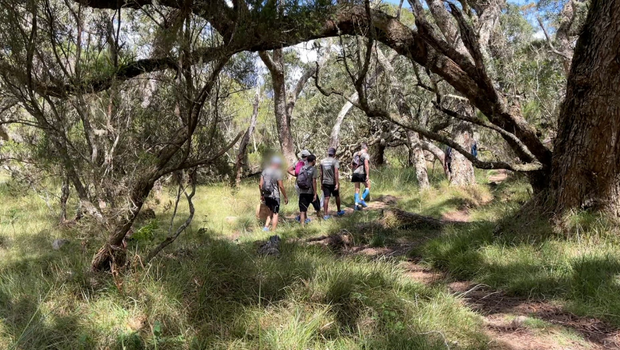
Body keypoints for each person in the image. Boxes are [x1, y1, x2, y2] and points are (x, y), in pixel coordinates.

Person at [259, 156, 288, 232]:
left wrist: (262, 195)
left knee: (270, 211)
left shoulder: (265, 171)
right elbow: (281, 186)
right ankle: (273, 231)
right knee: (275, 213)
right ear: (277, 163)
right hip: (275, 196)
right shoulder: (278, 172)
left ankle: (266, 227)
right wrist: (285, 197)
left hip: (266, 195)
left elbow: (260, 185)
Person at [321, 147, 345, 219]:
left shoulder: (322, 161)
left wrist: (321, 183)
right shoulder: (335, 161)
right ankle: (339, 211)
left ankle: (325, 214)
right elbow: (336, 172)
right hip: (333, 182)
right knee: (337, 196)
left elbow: (321, 173)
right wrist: (337, 183)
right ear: (334, 154)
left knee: (326, 198)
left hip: (325, 182)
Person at [297, 154, 321, 226]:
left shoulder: (302, 168)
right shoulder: (313, 169)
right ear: (313, 161)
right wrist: (315, 193)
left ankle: (302, 225)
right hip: (310, 192)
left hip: (302, 192)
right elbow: (314, 181)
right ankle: (320, 223)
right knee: (318, 207)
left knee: (302, 210)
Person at [351, 143, 371, 210]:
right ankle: (362, 199)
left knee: (357, 189)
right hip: (362, 173)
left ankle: (356, 205)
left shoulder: (355, 154)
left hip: (355, 173)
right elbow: (366, 165)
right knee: (368, 186)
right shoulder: (365, 155)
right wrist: (367, 175)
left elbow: (352, 164)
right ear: (366, 148)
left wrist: (352, 172)